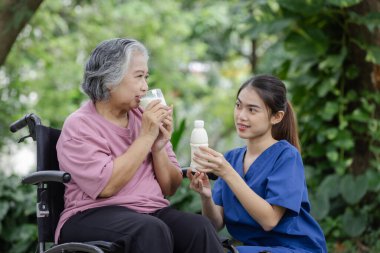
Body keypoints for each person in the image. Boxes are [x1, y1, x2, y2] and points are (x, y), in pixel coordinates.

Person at [55, 38, 224, 253]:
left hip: (149, 212)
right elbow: (106, 187)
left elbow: (170, 188)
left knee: (198, 227)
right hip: (91, 213)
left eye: (146, 77)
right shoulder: (80, 125)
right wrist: (145, 137)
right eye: (138, 77)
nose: (145, 87)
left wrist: (158, 146)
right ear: (109, 79)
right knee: (150, 229)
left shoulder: (143, 118)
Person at [187, 74, 328, 253]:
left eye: (252, 110)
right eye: (238, 106)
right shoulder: (231, 159)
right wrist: (205, 196)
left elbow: (269, 220)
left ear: (276, 117)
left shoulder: (286, 156)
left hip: (293, 249)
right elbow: (215, 224)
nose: (241, 116)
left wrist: (228, 173)